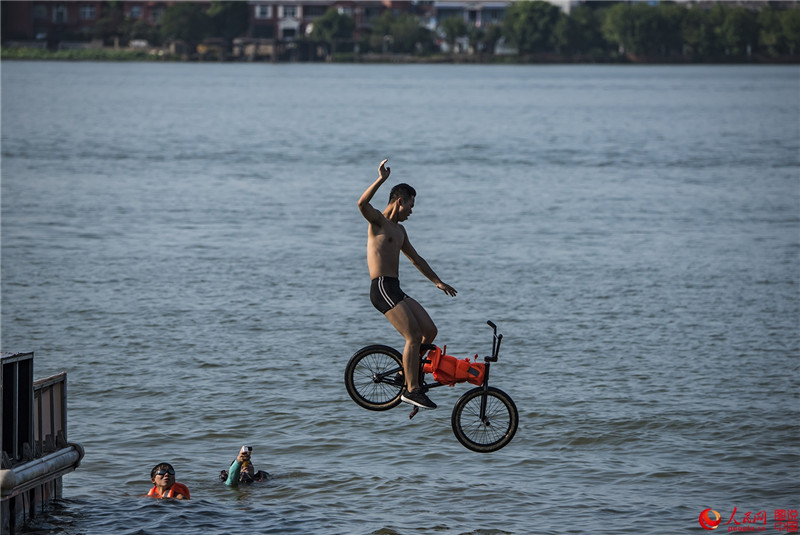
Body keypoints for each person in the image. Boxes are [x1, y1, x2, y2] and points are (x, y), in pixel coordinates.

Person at [358, 159, 457, 410]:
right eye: (411, 206)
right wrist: (381, 180)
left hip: (395, 288)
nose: (411, 212)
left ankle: (405, 373)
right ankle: (412, 389)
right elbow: (362, 204)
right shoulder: (378, 222)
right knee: (412, 336)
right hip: (381, 288)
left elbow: (416, 259)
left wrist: (437, 281)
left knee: (429, 332)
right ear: (400, 201)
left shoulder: (401, 231)